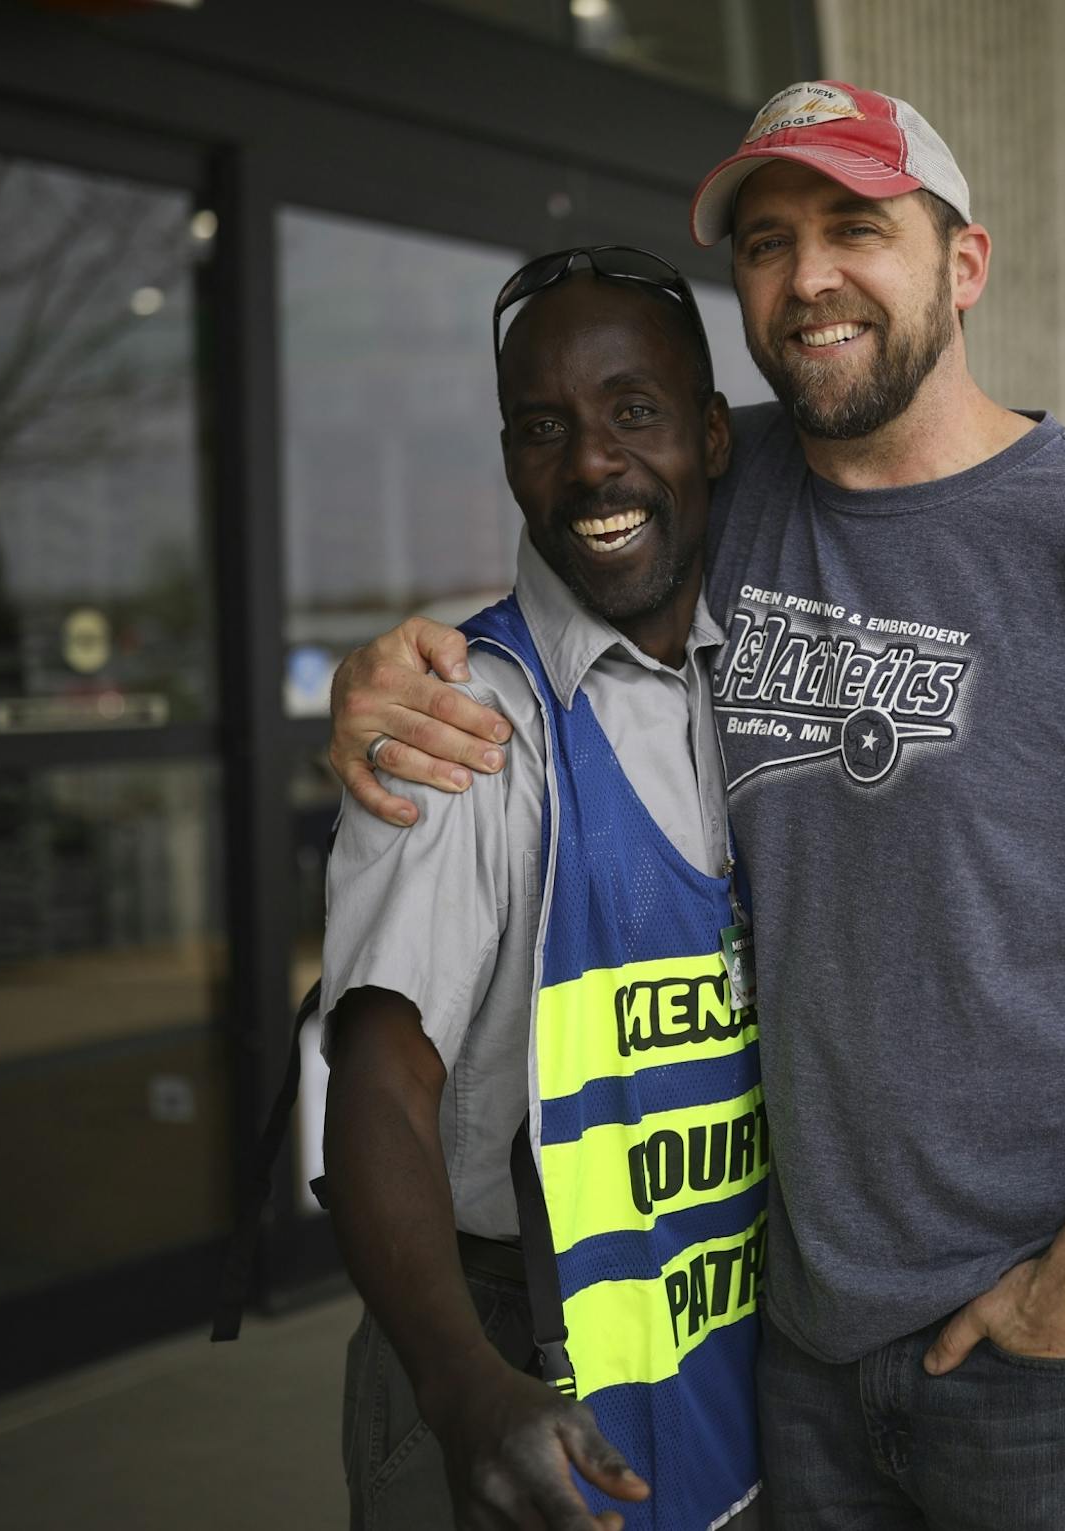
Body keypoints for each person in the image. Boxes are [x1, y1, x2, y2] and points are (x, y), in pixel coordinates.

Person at [328, 81, 1065, 1530]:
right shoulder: (730, 481)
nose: (808, 274)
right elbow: (586, 480)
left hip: (1048, 1366)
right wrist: (392, 669)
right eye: (765, 241)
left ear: (965, 261)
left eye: (853, 226)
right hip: (799, 1353)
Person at [322, 247, 766, 1531]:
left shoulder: (737, 686)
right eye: (542, 427)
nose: (590, 465)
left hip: (699, 1324)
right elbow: (379, 1085)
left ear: (713, 436)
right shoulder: (465, 722)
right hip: (502, 1343)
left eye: (634, 411)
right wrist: (464, 1388)